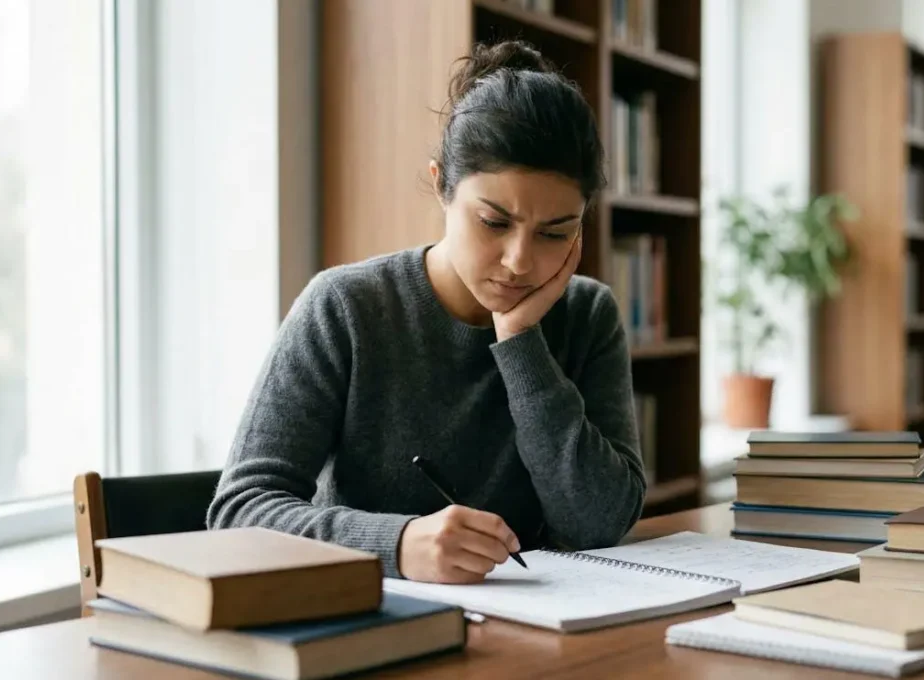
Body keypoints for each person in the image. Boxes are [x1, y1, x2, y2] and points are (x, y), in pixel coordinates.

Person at [206, 40, 645, 584]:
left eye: (556, 232)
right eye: (493, 221)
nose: (520, 261)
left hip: (533, 637)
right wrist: (396, 544)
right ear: (441, 185)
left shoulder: (587, 314)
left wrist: (521, 342)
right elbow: (237, 516)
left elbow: (599, 523)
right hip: (377, 629)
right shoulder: (345, 307)